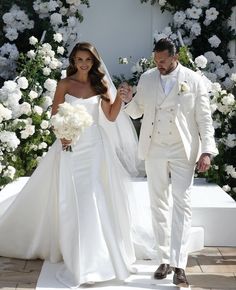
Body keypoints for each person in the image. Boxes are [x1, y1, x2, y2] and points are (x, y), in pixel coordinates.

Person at [0, 42, 138, 287]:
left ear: (94, 62)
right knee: (71, 197)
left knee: (92, 193)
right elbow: (55, 116)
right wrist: (62, 133)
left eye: (88, 60)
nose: (83, 64)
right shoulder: (64, 84)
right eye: (79, 59)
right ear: (73, 61)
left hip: (94, 146)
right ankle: (77, 250)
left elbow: (111, 116)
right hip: (69, 146)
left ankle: (97, 256)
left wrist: (123, 99)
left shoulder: (101, 84)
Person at [120, 38, 218, 288]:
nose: (158, 65)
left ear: (175, 57)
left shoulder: (194, 80)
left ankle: (179, 263)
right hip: (154, 148)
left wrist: (206, 151)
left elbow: (204, 119)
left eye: (162, 61)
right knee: (158, 204)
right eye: (156, 60)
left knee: (182, 204)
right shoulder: (147, 78)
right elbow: (137, 112)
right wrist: (128, 99)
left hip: (183, 149)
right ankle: (164, 258)